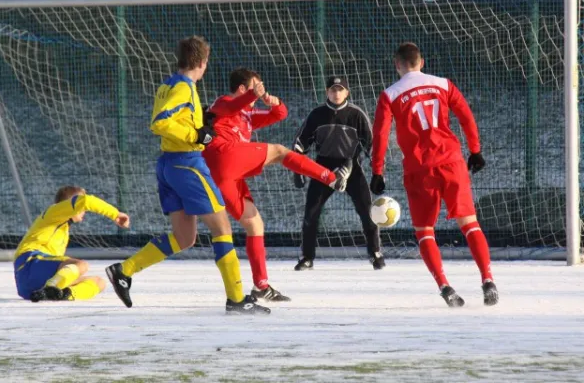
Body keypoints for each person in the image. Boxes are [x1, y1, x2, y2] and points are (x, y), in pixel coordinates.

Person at [105, 37, 269, 315]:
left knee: (184, 238)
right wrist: (195, 134)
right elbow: (159, 121)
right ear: (203, 63)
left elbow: (174, 117)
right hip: (187, 163)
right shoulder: (184, 87)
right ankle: (236, 299)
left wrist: (198, 123)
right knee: (223, 229)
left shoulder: (169, 84)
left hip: (169, 165)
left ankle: (124, 270)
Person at [203, 67, 352, 301]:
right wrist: (252, 96)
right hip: (223, 156)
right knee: (281, 152)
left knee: (255, 225)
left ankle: (261, 286)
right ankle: (331, 177)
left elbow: (280, 114)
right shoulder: (224, 102)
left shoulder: (248, 116)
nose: (259, 91)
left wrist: (273, 101)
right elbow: (231, 106)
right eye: (255, 86)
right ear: (242, 89)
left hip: (227, 176)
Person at [371, 42, 498, 307]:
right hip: (451, 161)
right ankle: (488, 280)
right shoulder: (443, 84)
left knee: (424, 230)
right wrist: (475, 150)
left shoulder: (390, 94)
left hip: (419, 168)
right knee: (469, 223)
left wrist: (377, 170)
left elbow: (381, 135)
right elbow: (466, 116)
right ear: (422, 62)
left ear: (397, 65)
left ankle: (445, 287)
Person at [291, 76, 384, 271]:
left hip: (351, 167)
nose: (336, 93)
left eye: (340, 90)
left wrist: (375, 172)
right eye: (333, 90)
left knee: (367, 212)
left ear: (347, 93)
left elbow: (372, 146)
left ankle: (375, 253)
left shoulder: (356, 115)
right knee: (311, 213)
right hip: (322, 167)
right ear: (327, 92)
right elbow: (300, 144)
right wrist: (297, 169)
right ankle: (307, 257)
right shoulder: (316, 115)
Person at [14, 186, 130, 302]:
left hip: (35, 287)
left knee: (99, 282)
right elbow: (86, 201)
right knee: (81, 265)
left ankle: (65, 294)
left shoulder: (62, 227)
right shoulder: (53, 212)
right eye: (81, 207)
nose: (84, 211)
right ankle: (52, 287)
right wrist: (115, 214)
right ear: (70, 204)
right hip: (28, 264)